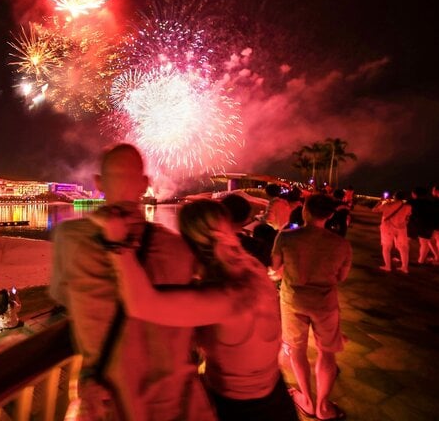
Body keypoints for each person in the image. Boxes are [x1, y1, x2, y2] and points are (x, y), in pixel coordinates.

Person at [50, 143, 215, 421]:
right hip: (182, 404)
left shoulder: (70, 238)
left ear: (99, 183)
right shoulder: (180, 249)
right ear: (145, 185)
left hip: (115, 404)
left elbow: (63, 297)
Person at [94, 199, 299, 421]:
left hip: (242, 411)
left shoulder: (228, 299)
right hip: (276, 398)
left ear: (190, 244)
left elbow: (140, 304)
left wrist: (117, 243)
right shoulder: (253, 268)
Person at [271, 194, 352, 420]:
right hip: (325, 303)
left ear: (305, 210)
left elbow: (275, 266)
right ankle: (323, 407)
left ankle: (306, 399)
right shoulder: (341, 244)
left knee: (297, 351)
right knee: (327, 353)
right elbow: (342, 276)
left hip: (293, 300)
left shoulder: (286, 237)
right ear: (330, 215)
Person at [372, 191, 412, 273]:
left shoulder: (387, 205)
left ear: (395, 197)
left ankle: (388, 266)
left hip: (388, 228)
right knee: (403, 248)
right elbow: (408, 217)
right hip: (401, 228)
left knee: (386, 247)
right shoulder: (408, 206)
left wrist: (380, 201)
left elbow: (374, 210)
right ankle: (404, 267)